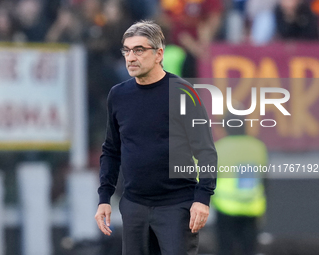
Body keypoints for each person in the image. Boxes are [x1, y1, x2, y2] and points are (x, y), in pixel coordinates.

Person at [94, 20, 217, 255]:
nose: (130, 57)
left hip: (177, 206)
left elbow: (205, 150)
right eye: (126, 50)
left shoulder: (183, 92)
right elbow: (111, 150)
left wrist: (203, 198)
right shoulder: (118, 95)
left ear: (159, 54)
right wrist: (104, 197)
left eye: (139, 50)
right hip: (134, 206)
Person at [212, 113, 268, 255]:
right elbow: (264, 179)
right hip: (252, 208)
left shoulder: (219, 148)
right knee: (249, 250)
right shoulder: (258, 147)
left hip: (225, 207)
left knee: (225, 249)